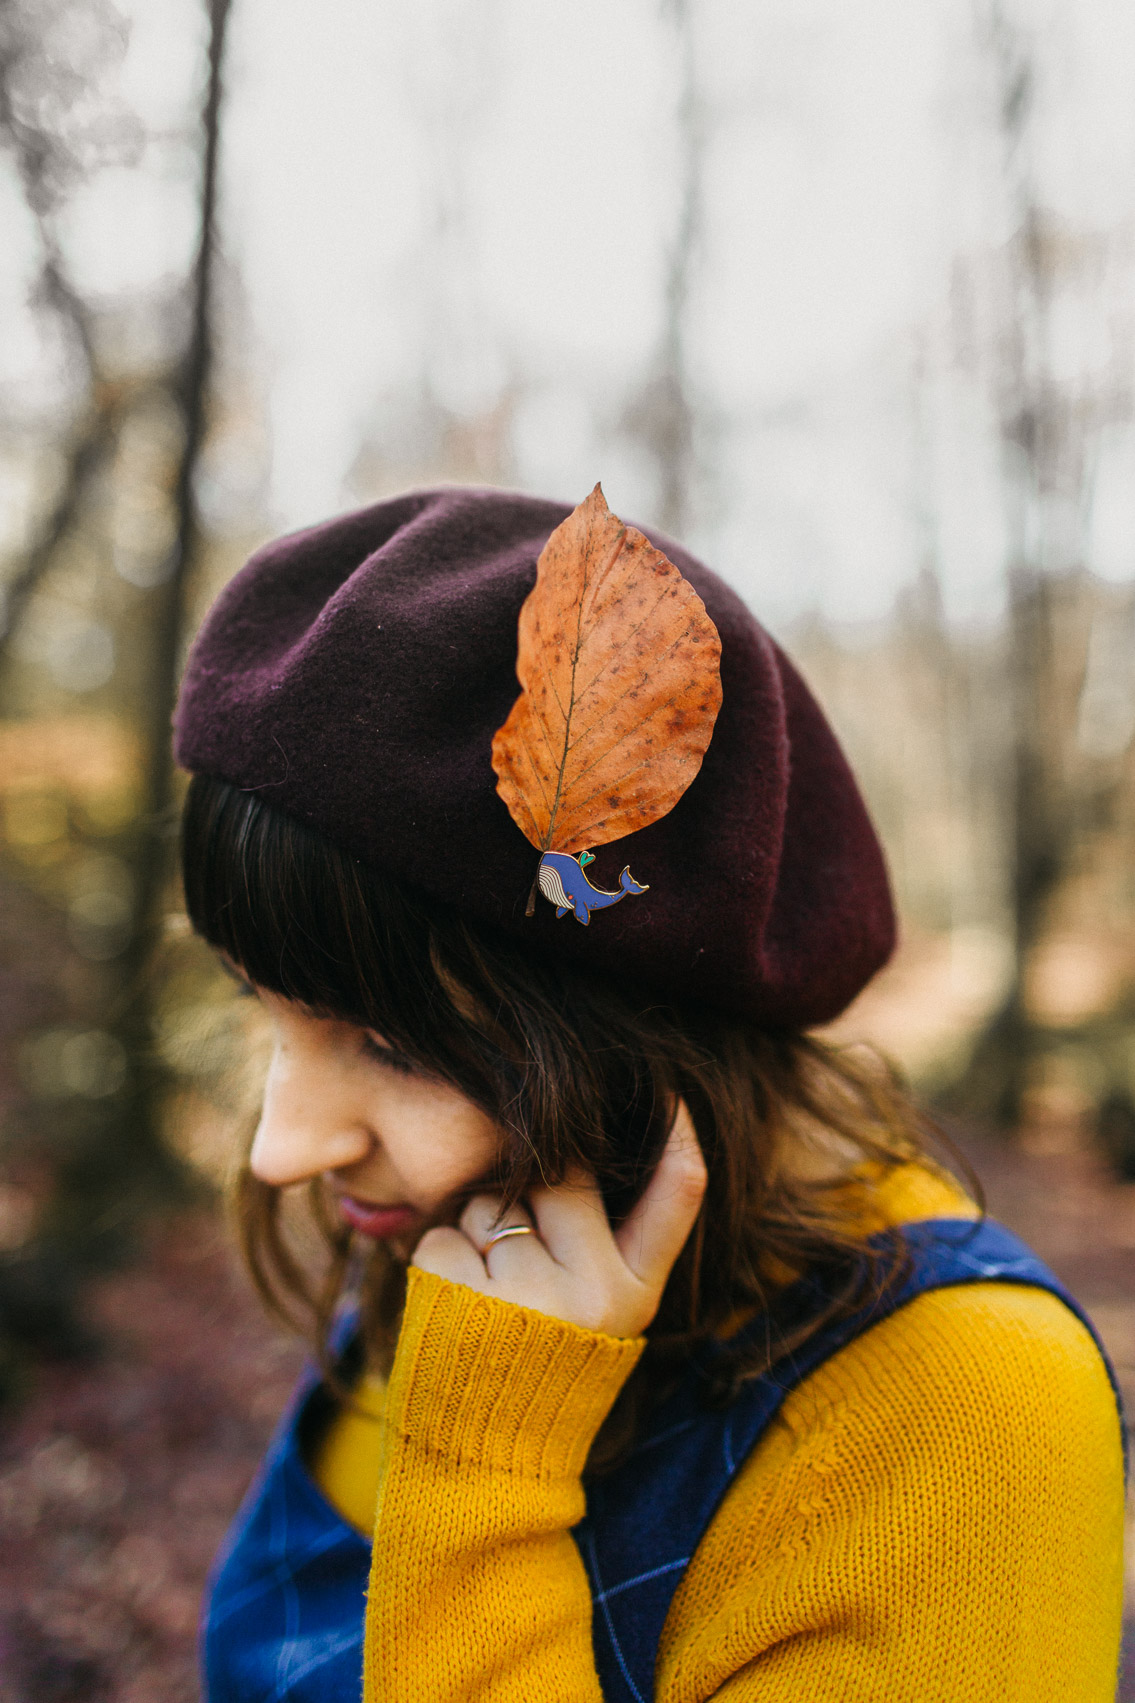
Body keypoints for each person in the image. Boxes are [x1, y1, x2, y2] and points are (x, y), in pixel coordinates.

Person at [173, 487, 1125, 1703]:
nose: (281, 1149)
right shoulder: (464, 1247)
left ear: (639, 1035)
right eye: (264, 1005)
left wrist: (482, 1478)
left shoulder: (963, 1416)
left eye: (392, 1046)